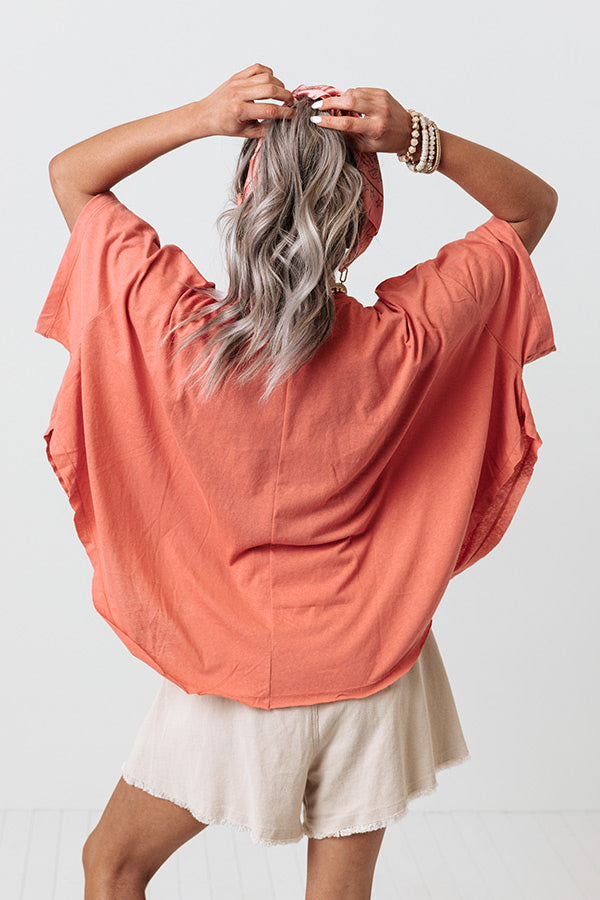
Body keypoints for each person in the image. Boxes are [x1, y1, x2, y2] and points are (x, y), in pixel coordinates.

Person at [37, 63, 557, 900]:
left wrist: (204, 115)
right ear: (365, 220)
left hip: (229, 670)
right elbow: (532, 207)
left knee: (114, 864)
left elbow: (71, 175)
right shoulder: (411, 340)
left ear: (245, 198)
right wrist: (415, 136)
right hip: (372, 667)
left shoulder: (174, 329)